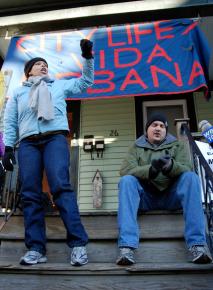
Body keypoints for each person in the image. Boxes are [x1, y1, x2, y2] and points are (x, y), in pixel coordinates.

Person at [2, 39, 94, 266]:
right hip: (28, 143)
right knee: (30, 194)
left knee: (60, 186)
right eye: (38, 64)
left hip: (55, 138)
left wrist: (88, 57)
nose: (44, 66)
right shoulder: (18, 93)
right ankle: (35, 248)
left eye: (45, 64)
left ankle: (78, 245)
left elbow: (86, 81)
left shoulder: (59, 85)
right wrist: (8, 148)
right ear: (28, 71)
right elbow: (10, 121)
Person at [116, 112, 213, 265]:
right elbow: (125, 170)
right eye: (154, 125)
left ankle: (198, 245)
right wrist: (151, 170)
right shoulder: (136, 147)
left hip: (171, 197)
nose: (158, 128)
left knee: (191, 177)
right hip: (145, 198)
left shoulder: (177, 145)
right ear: (147, 129)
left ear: (166, 131)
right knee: (126, 181)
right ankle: (126, 247)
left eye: (162, 126)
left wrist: (170, 167)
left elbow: (187, 168)